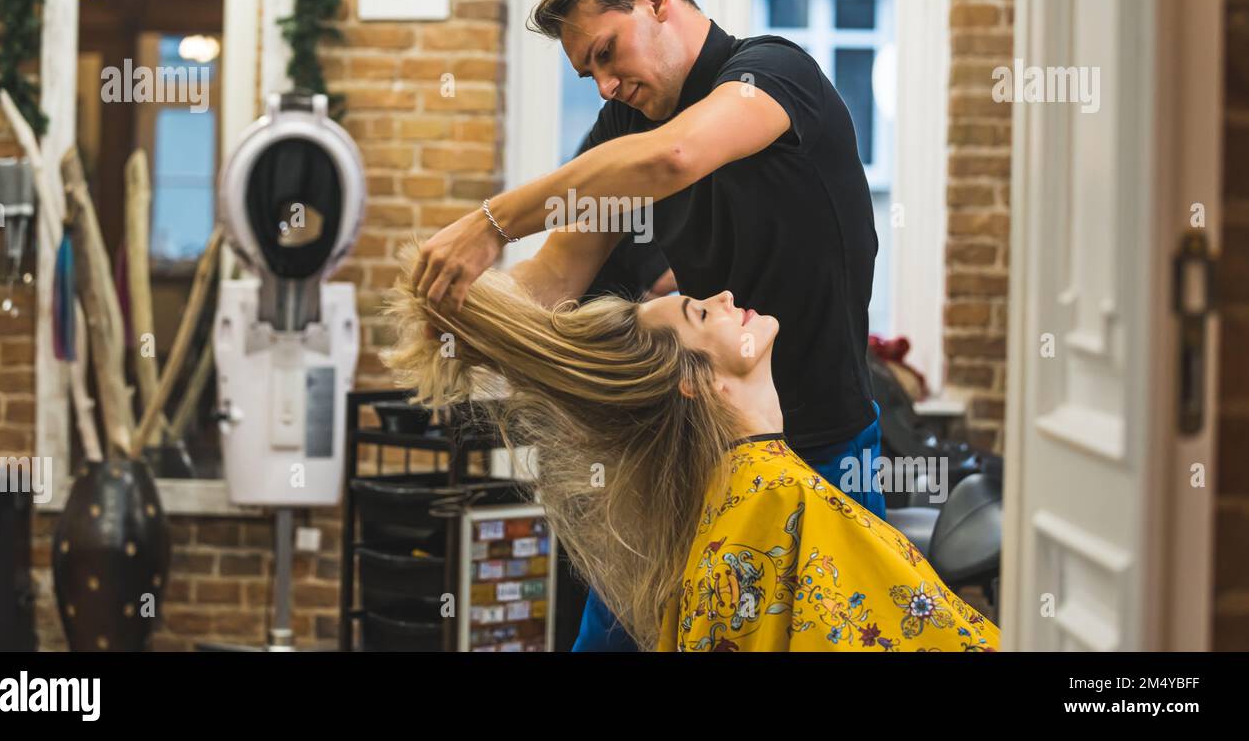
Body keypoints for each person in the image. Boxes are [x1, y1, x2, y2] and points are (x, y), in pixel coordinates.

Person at [411, 0, 884, 649]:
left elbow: (675, 157)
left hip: (824, 451)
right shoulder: (625, 126)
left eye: (606, 52)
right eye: (586, 73)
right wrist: (459, 315)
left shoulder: (775, 73)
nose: (603, 84)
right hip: (695, 458)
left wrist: (491, 222)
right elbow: (557, 275)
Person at [384, 252, 999, 652]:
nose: (729, 297)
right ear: (694, 379)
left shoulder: (742, 504)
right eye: (704, 311)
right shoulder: (776, 503)